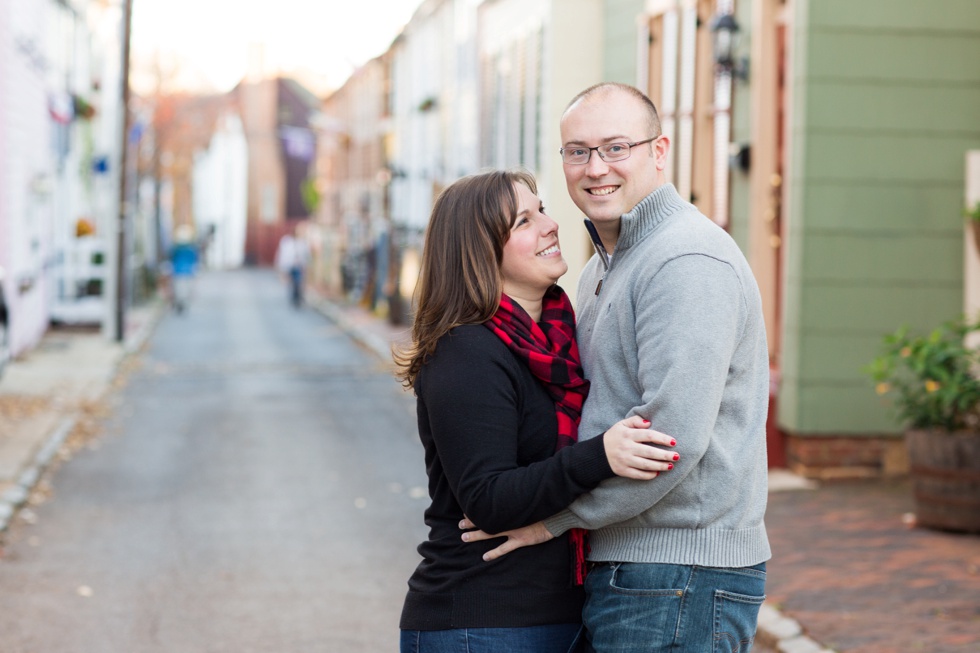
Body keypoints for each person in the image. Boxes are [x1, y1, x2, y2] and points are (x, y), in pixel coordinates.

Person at [461, 83, 772, 652]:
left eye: (616, 147)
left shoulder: (684, 260)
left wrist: (552, 521)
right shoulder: (604, 268)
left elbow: (669, 438)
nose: (595, 167)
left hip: (679, 573)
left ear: (659, 151)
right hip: (640, 571)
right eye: (577, 151)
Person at [394, 169, 680, 653]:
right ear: (480, 251)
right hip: (480, 621)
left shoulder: (560, 337)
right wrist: (601, 456)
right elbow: (488, 498)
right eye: (524, 221)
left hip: (559, 614)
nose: (550, 225)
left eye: (542, 209)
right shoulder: (466, 351)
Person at [275, 227, 310, 308]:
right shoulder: (287, 241)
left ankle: (298, 298)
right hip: (289, 265)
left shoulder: (303, 242)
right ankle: (293, 297)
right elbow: (282, 254)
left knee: (298, 282)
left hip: (299, 266)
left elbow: (307, 255)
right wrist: (280, 266)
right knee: (291, 282)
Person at [169, 224, 198, 314]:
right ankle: (183, 303)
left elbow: (171, 258)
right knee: (186, 289)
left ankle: (179, 303)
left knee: (178, 289)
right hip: (188, 272)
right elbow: (195, 260)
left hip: (177, 271)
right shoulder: (191, 249)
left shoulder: (176, 248)